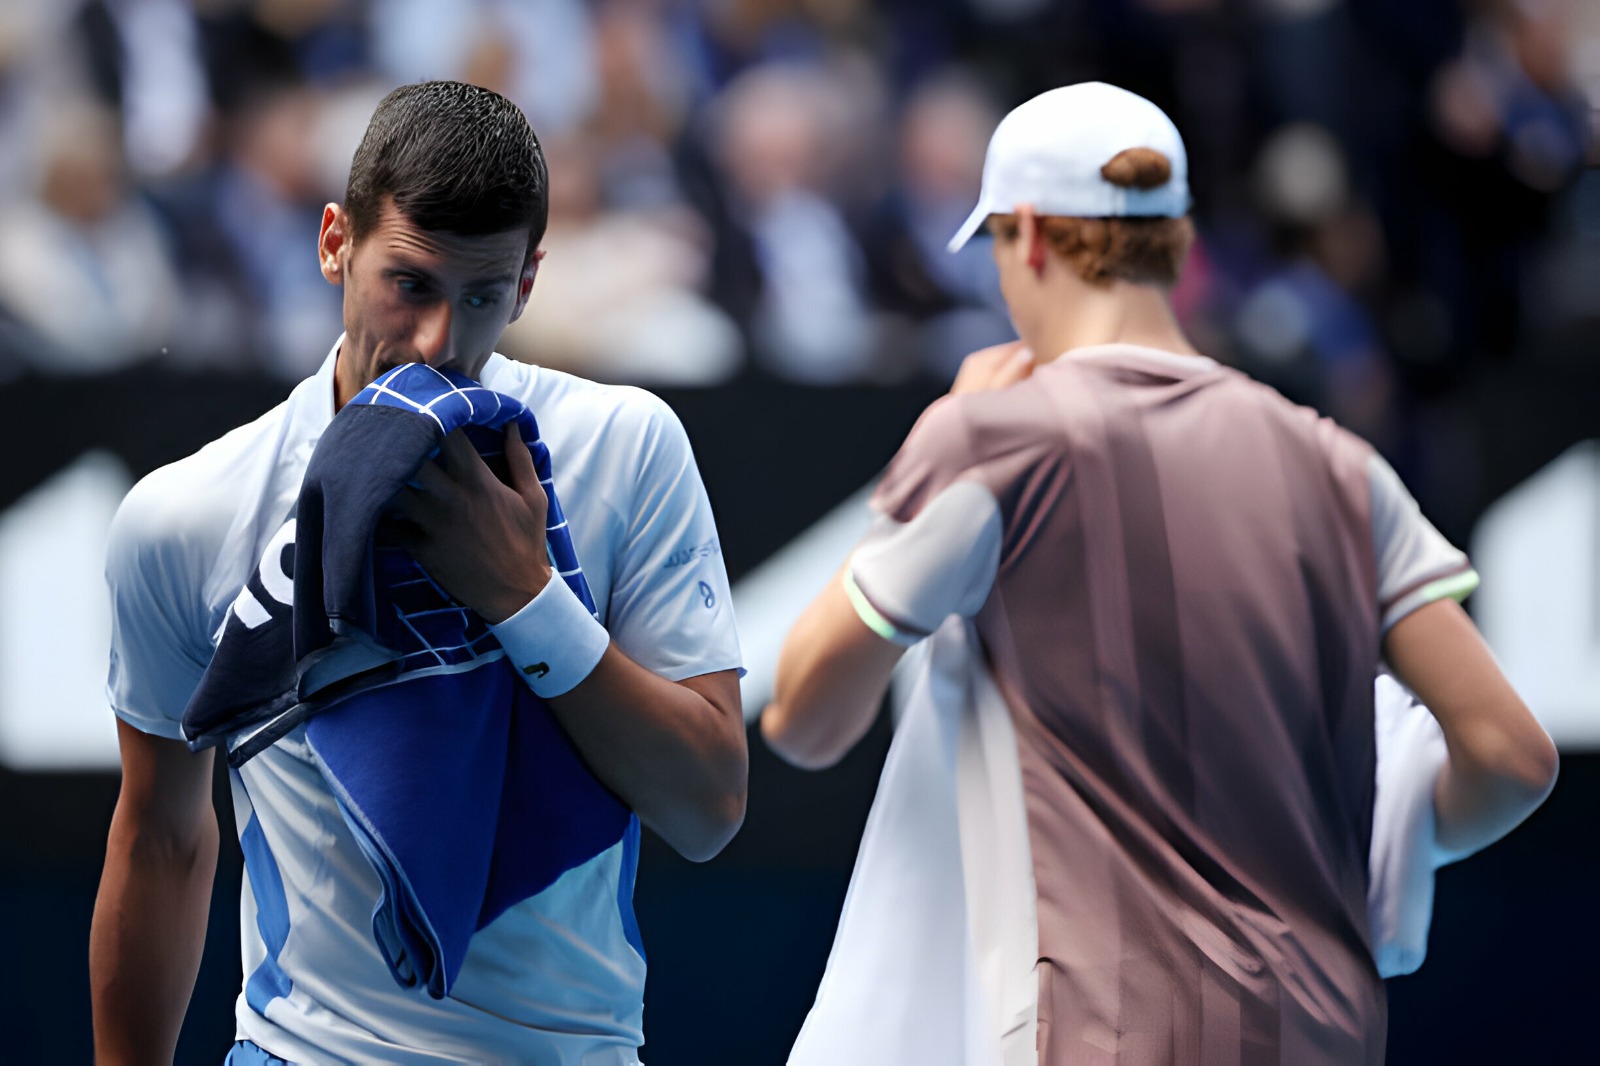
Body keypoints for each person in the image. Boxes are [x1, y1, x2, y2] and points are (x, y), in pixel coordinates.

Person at [761, 82, 1557, 1065]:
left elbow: (803, 715)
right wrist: (1377, 843)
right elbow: (1513, 758)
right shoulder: (1341, 467)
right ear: (1174, 244)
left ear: (1034, 240)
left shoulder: (992, 442)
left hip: (1095, 1035)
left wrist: (916, 473)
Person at [90, 81, 747, 1065]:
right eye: (411, 284)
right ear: (332, 245)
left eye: (483, 294)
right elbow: (161, 842)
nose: (442, 341)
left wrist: (527, 598)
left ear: (528, 282)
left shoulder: (628, 446)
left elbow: (707, 810)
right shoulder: (186, 516)